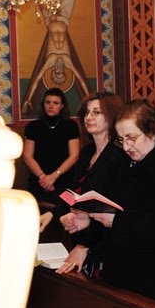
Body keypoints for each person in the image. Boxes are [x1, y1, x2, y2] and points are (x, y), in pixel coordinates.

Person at [72, 99, 155, 308]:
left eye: (131, 138)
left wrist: (118, 222)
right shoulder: (127, 163)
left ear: (152, 131)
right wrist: (90, 223)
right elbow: (114, 208)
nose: (126, 146)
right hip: (126, 275)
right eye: (121, 140)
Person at [55, 92, 128, 268]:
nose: (89, 117)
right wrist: (66, 214)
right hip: (82, 233)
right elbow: (74, 192)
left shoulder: (120, 154)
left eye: (96, 112)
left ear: (111, 116)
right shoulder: (87, 152)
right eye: (87, 112)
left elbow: (113, 206)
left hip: (106, 242)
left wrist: (85, 244)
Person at [23, 88, 80, 206]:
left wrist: (54, 176)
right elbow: (27, 156)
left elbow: (74, 156)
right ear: (43, 104)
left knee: (64, 209)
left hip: (64, 180)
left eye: (55, 103)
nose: (51, 106)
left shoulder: (70, 126)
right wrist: (43, 177)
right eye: (47, 102)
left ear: (62, 106)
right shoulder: (33, 126)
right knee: (34, 209)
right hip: (39, 181)